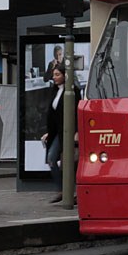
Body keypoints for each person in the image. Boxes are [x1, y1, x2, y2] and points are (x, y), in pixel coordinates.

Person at [41, 62, 81, 203]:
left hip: (69, 132)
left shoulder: (74, 91)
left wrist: (77, 131)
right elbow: (53, 115)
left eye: (57, 74)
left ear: (65, 75)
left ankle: (73, 192)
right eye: (54, 75)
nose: (54, 77)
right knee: (51, 158)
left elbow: (76, 112)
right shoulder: (54, 90)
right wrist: (48, 132)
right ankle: (62, 190)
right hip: (57, 132)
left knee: (70, 162)